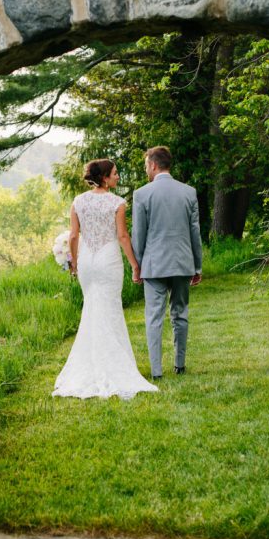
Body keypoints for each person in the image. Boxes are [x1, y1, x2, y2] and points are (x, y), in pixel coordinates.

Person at [53, 159, 159, 400]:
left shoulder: (78, 201)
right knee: (110, 309)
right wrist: (135, 265)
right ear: (104, 177)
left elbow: (73, 236)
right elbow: (122, 236)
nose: (118, 177)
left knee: (92, 309)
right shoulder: (117, 203)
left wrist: (75, 264)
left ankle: (92, 364)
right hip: (108, 259)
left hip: (88, 261)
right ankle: (113, 365)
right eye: (115, 173)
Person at [131, 146, 203, 380]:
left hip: (153, 265)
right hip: (182, 262)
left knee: (154, 317)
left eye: (146, 166)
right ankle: (179, 365)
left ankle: (156, 371)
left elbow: (138, 235)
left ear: (153, 165)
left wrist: (138, 265)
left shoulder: (142, 194)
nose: (146, 170)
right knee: (180, 313)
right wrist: (197, 265)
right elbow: (195, 233)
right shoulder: (189, 192)